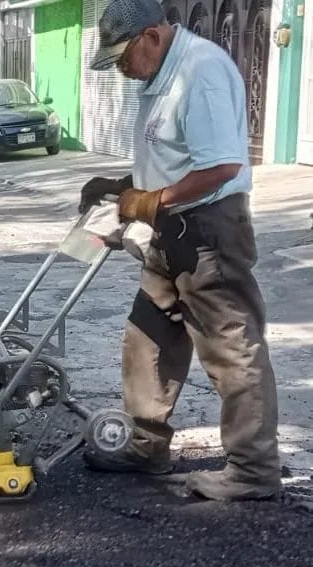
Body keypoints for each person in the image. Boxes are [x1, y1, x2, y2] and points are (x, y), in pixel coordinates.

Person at [79, 0, 280, 501]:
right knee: (148, 335)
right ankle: (145, 445)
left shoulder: (201, 71)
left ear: (151, 35)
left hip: (209, 232)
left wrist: (151, 198)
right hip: (170, 228)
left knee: (231, 345)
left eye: (125, 57)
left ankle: (253, 471)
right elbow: (176, 156)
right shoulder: (160, 74)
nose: (123, 70)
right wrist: (125, 183)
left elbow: (222, 167)